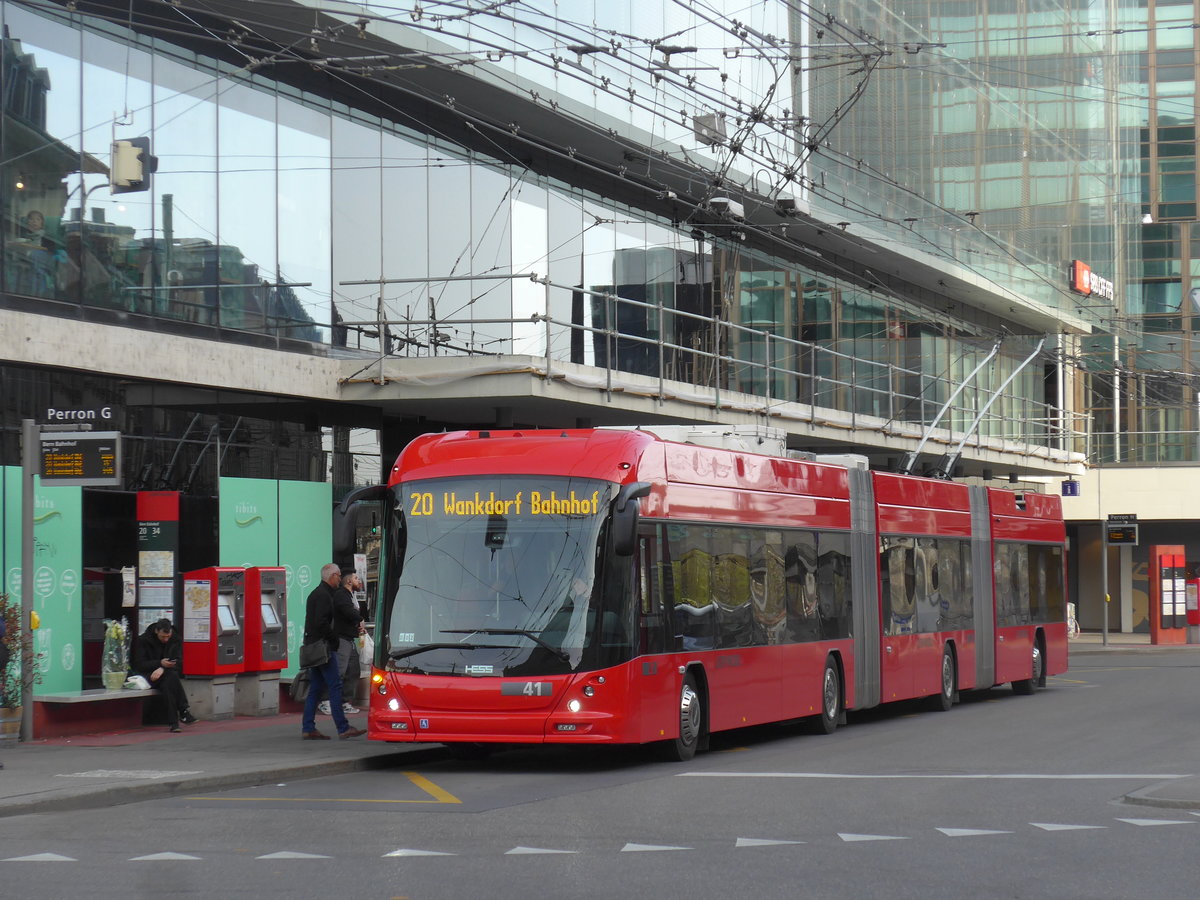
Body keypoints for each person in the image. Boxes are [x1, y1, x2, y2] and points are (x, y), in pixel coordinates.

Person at [301, 563, 366, 740]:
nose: (340, 579)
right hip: (324, 648)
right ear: (332, 576)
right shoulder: (324, 596)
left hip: (314, 647)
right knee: (335, 685)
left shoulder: (316, 594)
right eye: (338, 576)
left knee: (315, 687)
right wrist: (334, 639)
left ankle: (308, 727)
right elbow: (321, 623)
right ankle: (343, 727)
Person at [131, 618, 197, 733]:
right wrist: (159, 663)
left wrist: (162, 668)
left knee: (168, 682)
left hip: (167, 674)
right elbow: (139, 665)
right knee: (171, 678)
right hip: (149, 674)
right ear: (157, 631)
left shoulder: (175, 640)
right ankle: (183, 711)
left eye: (168, 636)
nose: (166, 640)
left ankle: (174, 723)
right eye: (163, 637)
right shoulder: (143, 640)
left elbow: (179, 662)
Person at [317, 569, 365, 717]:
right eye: (356, 578)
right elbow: (347, 611)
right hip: (342, 639)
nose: (359, 581)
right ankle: (325, 700)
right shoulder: (341, 595)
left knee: (353, 670)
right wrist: (359, 618)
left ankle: (344, 701)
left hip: (350, 639)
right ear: (349, 581)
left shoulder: (352, 596)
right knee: (338, 670)